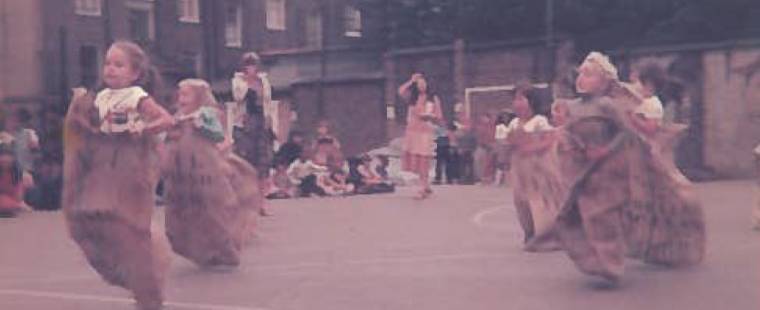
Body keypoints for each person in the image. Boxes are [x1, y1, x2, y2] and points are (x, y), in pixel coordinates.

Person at [539, 52, 706, 285]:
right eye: (580, 74)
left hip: (609, 169)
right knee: (583, 213)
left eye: (588, 75)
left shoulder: (608, 105)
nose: (581, 78)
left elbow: (624, 131)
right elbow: (567, 131)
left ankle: (611, 263)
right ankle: (595, 258)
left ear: (603, 82)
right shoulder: (573, 106)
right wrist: (570, 141)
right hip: (584, 169)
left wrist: (606, 150)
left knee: (603, 214)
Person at [62, 41, 175, 309]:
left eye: (118, 64)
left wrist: (144, 130)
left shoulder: (137, 96)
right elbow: (88, 129)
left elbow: (166, 120)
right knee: (86, 221)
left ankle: (148, 294)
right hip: (103, 169)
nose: (110, 69)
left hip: (129, 169)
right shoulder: (99, 98)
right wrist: (78, 117)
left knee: (132, 232)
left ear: (134, 74)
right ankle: (133, 276)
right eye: (107, 63)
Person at [162, 79, 261, 268]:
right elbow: (168, 138)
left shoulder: (205, 114)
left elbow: (218, 135)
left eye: (186, 94)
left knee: (212, 211)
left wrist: (203, 126)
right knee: (183, 210)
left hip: (204, 169)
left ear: (198, 97)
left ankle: (225, 250)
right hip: (182, 171)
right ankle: (201, 250)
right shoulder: (178, 116)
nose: (181, 99)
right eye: (180, 94)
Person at [504, 84, 562, 249]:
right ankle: (529, 232)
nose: (517, 103)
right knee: (521, 201)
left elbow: (549, 140)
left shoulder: (539, 121)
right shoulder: (514, 122)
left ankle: (545, 235)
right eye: (515, 99)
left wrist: (530, 148)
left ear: (531, 101)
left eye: (521, 99)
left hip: (538, 167)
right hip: (520, 168)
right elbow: (510, 143)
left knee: (539, 201)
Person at [232, 52, 275, 216]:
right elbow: (238, 97)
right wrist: (249, 84)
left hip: (261, 124)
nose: (251, 68)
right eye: (248, 64)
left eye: (254, 64)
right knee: (245, 163)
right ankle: (245, 202)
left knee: (263, 163)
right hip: (245, 125)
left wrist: (269, 120)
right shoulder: (238, 81)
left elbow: (268, 102)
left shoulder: (264, 80)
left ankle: (262, 203)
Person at [398, 73, 443, 199]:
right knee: (416, 160)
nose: (421, 86)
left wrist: (430, 116)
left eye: (423, 83)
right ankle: (426, 185)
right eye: (418, 84)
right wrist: (410, 81)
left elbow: (439, 116)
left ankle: (422, 187)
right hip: (412, 131)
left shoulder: (433, 98)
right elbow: (400, 91)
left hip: (425, 132)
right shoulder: (412, 98)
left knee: (423, 159)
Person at [0, 145, 26, 218]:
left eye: (8, 157)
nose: (5, 160)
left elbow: (18, 196)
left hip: (11, 202)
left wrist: (18, 203)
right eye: (2, 156)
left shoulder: (17, 173)